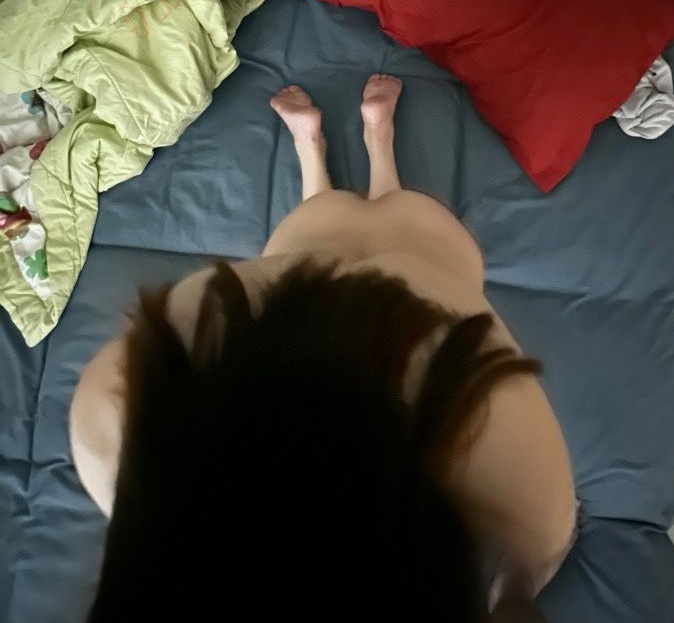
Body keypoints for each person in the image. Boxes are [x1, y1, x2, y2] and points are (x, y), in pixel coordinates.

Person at [71, 74, 577, 622]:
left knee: (369, 242)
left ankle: (347, 146)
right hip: (311, 281)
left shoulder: (529, 508)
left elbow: (524, 580)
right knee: (319, 253)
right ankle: (354, 145)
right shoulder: (108, 414)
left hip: (416, 279)